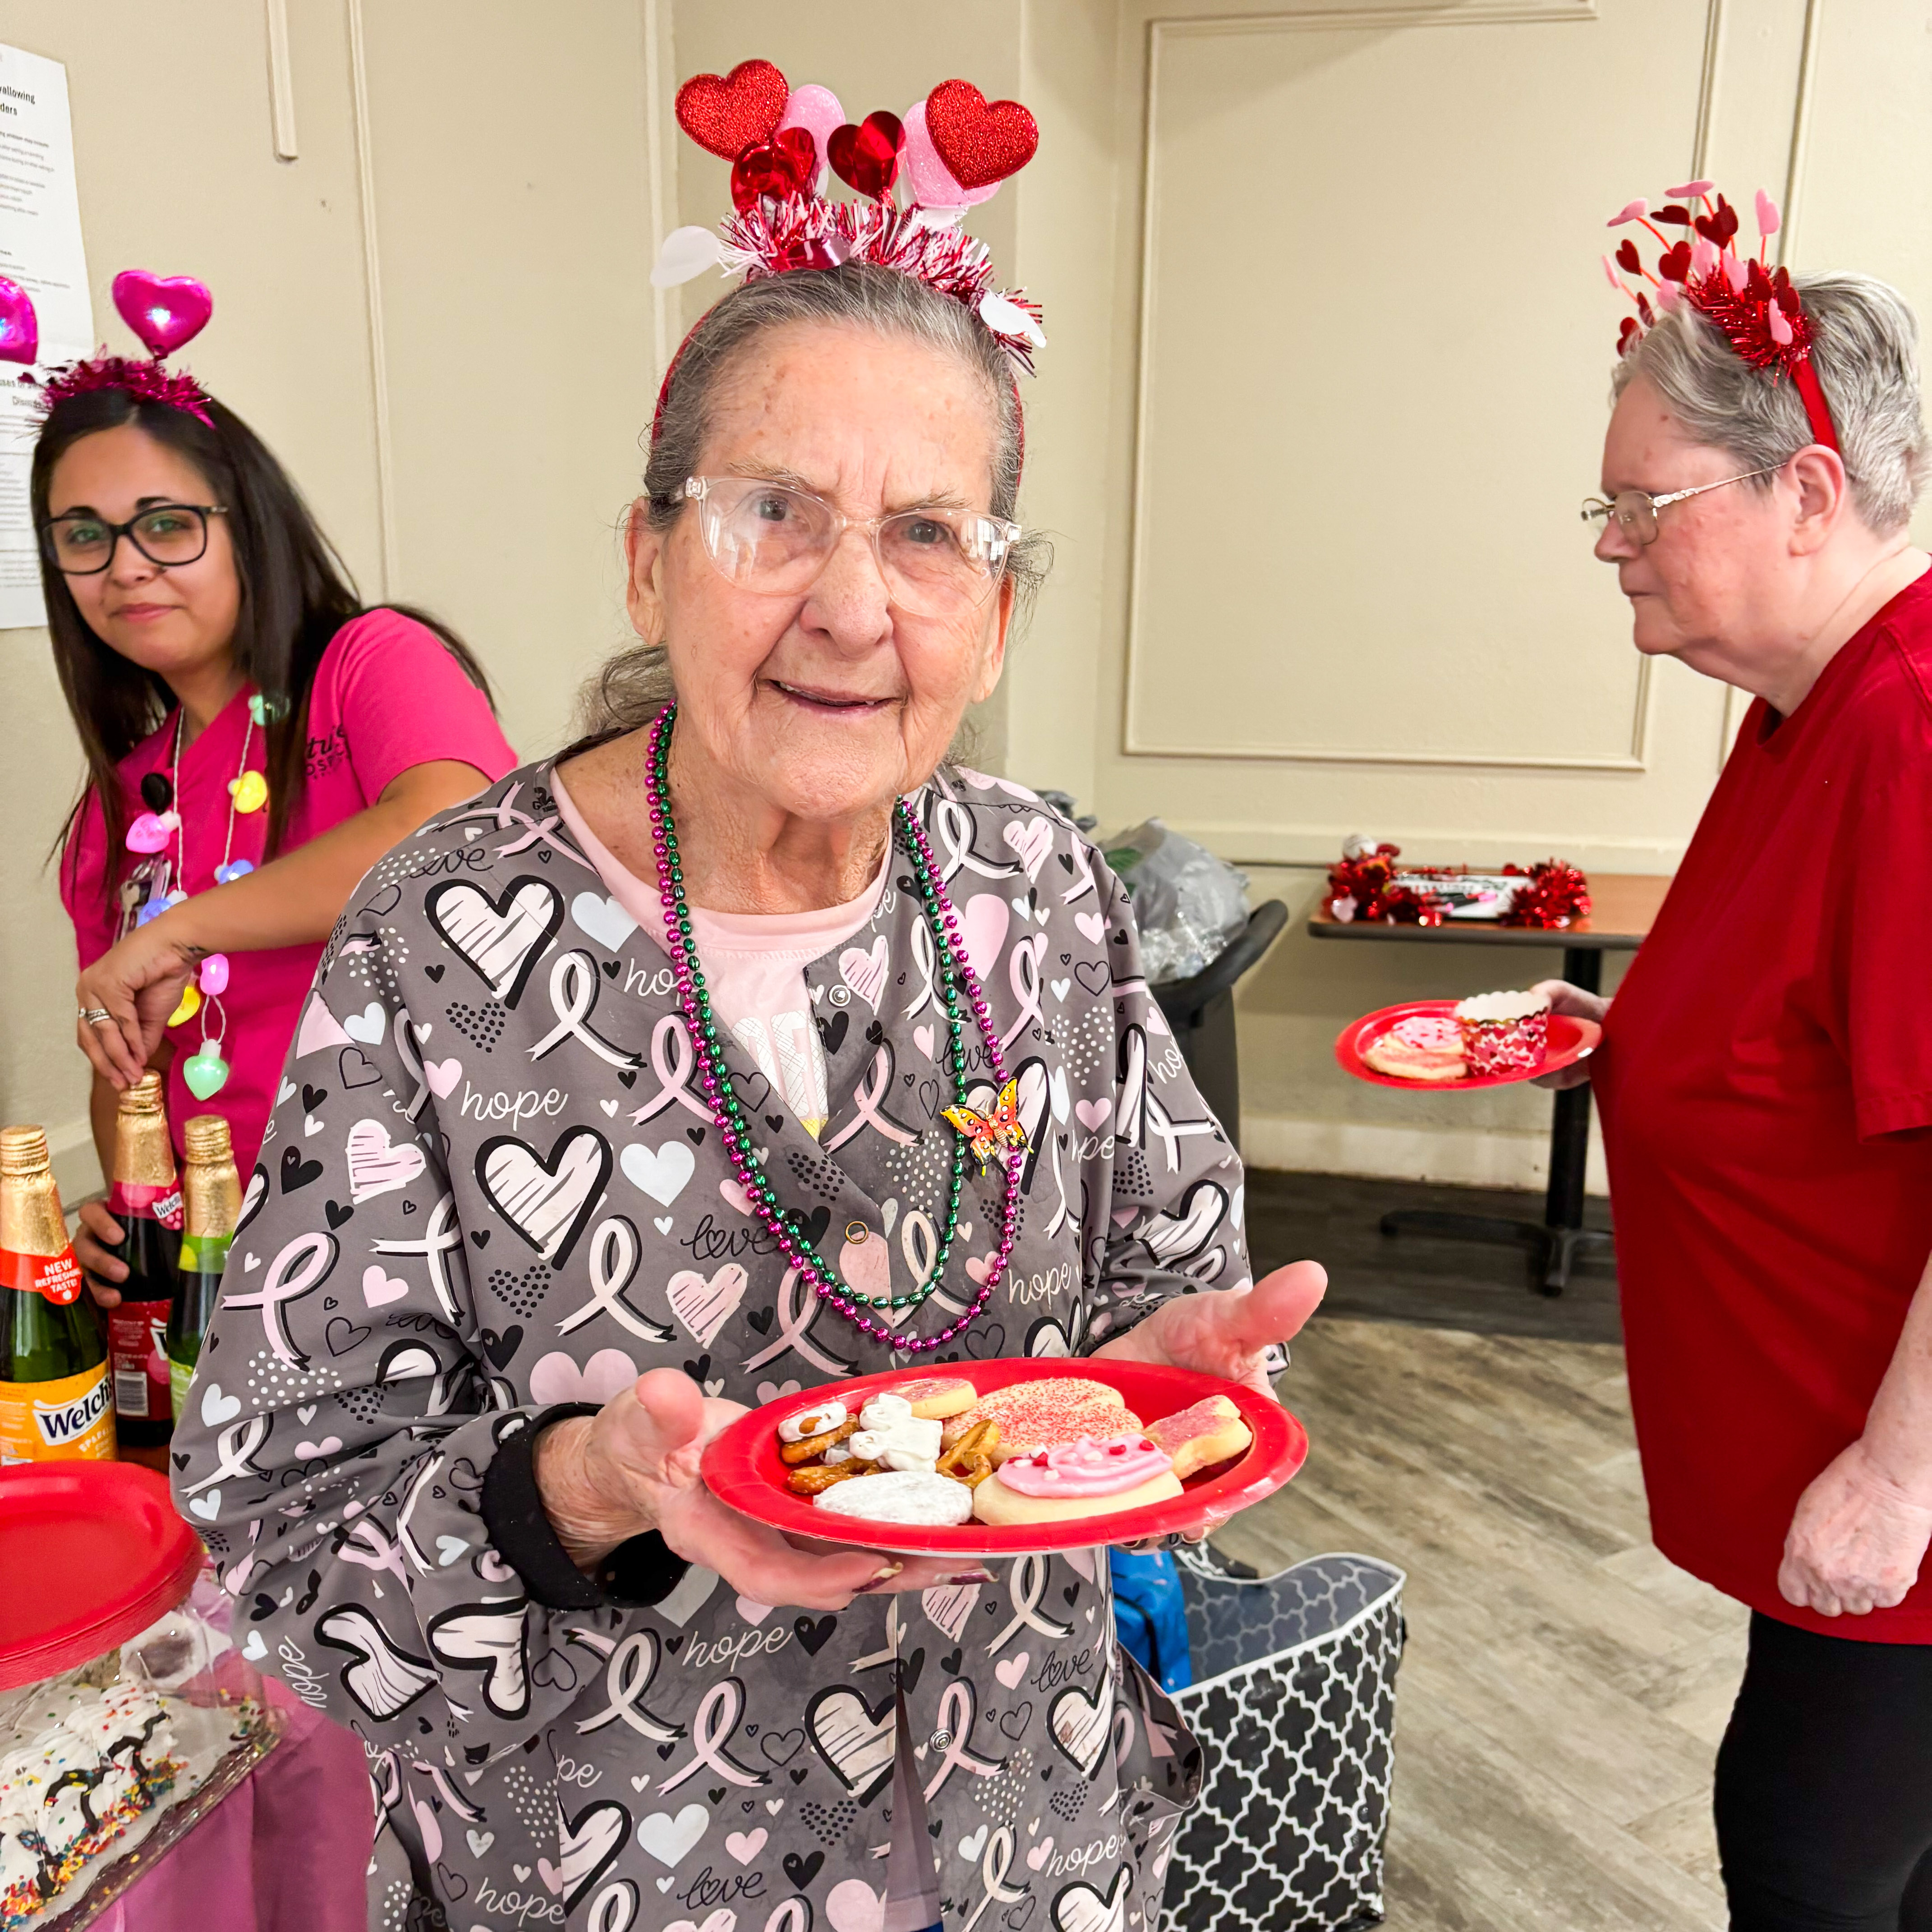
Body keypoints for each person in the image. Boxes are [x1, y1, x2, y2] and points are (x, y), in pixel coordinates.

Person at [172, 69, 1326, 1932]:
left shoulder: (1043, 891)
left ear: (999, 613)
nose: (854, 605)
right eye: (772, 512)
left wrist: (1155, 1384)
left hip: (1027, 1843)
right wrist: (589, 1492)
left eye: (932, 536)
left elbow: (1150, 1284)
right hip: (615, 1873)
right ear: (647, 557)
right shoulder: (434, 940)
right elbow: (283, 1535)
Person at [1550, 187, 1932, 1927]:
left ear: (1804, 488)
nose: (1613, 539)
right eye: (1607, 503)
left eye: (1647, 502)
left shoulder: (1907, 723)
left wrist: (1898, 1474)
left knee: (1806, 1856)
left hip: (1909, 1505)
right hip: (1829, 1458)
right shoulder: (1805, 704)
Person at [34, 279, 518, 1308]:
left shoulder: (370, 662)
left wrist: (183, 931)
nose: (125, 568)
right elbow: (132, 1068)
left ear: (245, 522)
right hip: (233, 1281)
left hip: (433, 1238)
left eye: (165, 524)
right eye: (83, 537)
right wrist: (127, 1215)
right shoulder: (118, 808)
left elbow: (449, 831)